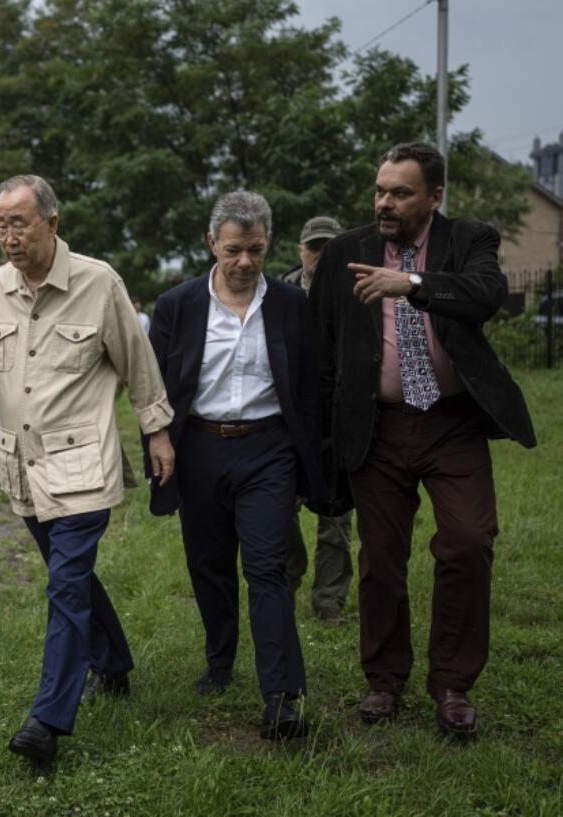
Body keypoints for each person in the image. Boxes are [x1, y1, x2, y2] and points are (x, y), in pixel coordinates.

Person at [0, 175, 175, 763]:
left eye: (19, 223)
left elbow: (138, 360)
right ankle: (115, 661)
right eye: (0, 224)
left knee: (64, 584)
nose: (8, 236)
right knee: (68, 575)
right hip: (22, 467)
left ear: (51, 223)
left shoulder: (98, 282)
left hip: (83, 464)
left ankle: (47, 721)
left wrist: (157, 429)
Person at [311, 142, 536, 737]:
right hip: (377, 427)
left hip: (451, 422)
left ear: (434, 196)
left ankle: (453, 686)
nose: (386, 202)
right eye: (381, 190)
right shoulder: (343, 252)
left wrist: (409, 282)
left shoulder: (470, 240)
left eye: (401, 192)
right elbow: (321, 345)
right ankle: (384, 682)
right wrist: (324, 435)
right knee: (381, 557)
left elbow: (485, 296)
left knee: (467, 541)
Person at [146, 191, 324, 740]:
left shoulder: (294, 305)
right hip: (197, 446)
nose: (245, 262)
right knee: (209, 563)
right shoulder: (177, 305)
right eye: (233, 251)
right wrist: (157, 435)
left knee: (268, 566)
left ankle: (282, 695)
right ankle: (220, 660)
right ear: (211, 245)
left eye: (255, 249)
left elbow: (312, 386)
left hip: (268, 447)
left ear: (268, 243)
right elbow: (150, 384)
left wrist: (301, 459)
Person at [281, 216, 354, 621]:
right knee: (279, 511)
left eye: (329, 247)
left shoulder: (360, 294)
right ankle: (288, 579)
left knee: (336, 517)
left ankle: (329, 601)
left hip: (337, 422)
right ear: (301, 251)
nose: (320, 255)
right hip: (286, 423)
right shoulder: (277, 294)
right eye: (314, 247)